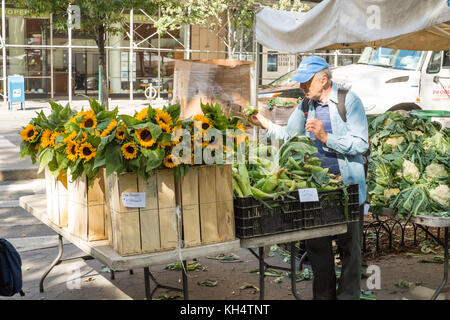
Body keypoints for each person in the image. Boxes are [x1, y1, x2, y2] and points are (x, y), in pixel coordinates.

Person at [251, 56, 369, 300]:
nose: (302, 87)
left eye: (306, 82)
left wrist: (327, 138)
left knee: (351, 249)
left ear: (323, 80)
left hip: (346, 187)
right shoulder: (305, 105)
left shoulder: (349, 101)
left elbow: (361, 143)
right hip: (316, 189)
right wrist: (265, 124)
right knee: (318, 249)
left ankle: (348, 296)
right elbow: (289, 135)